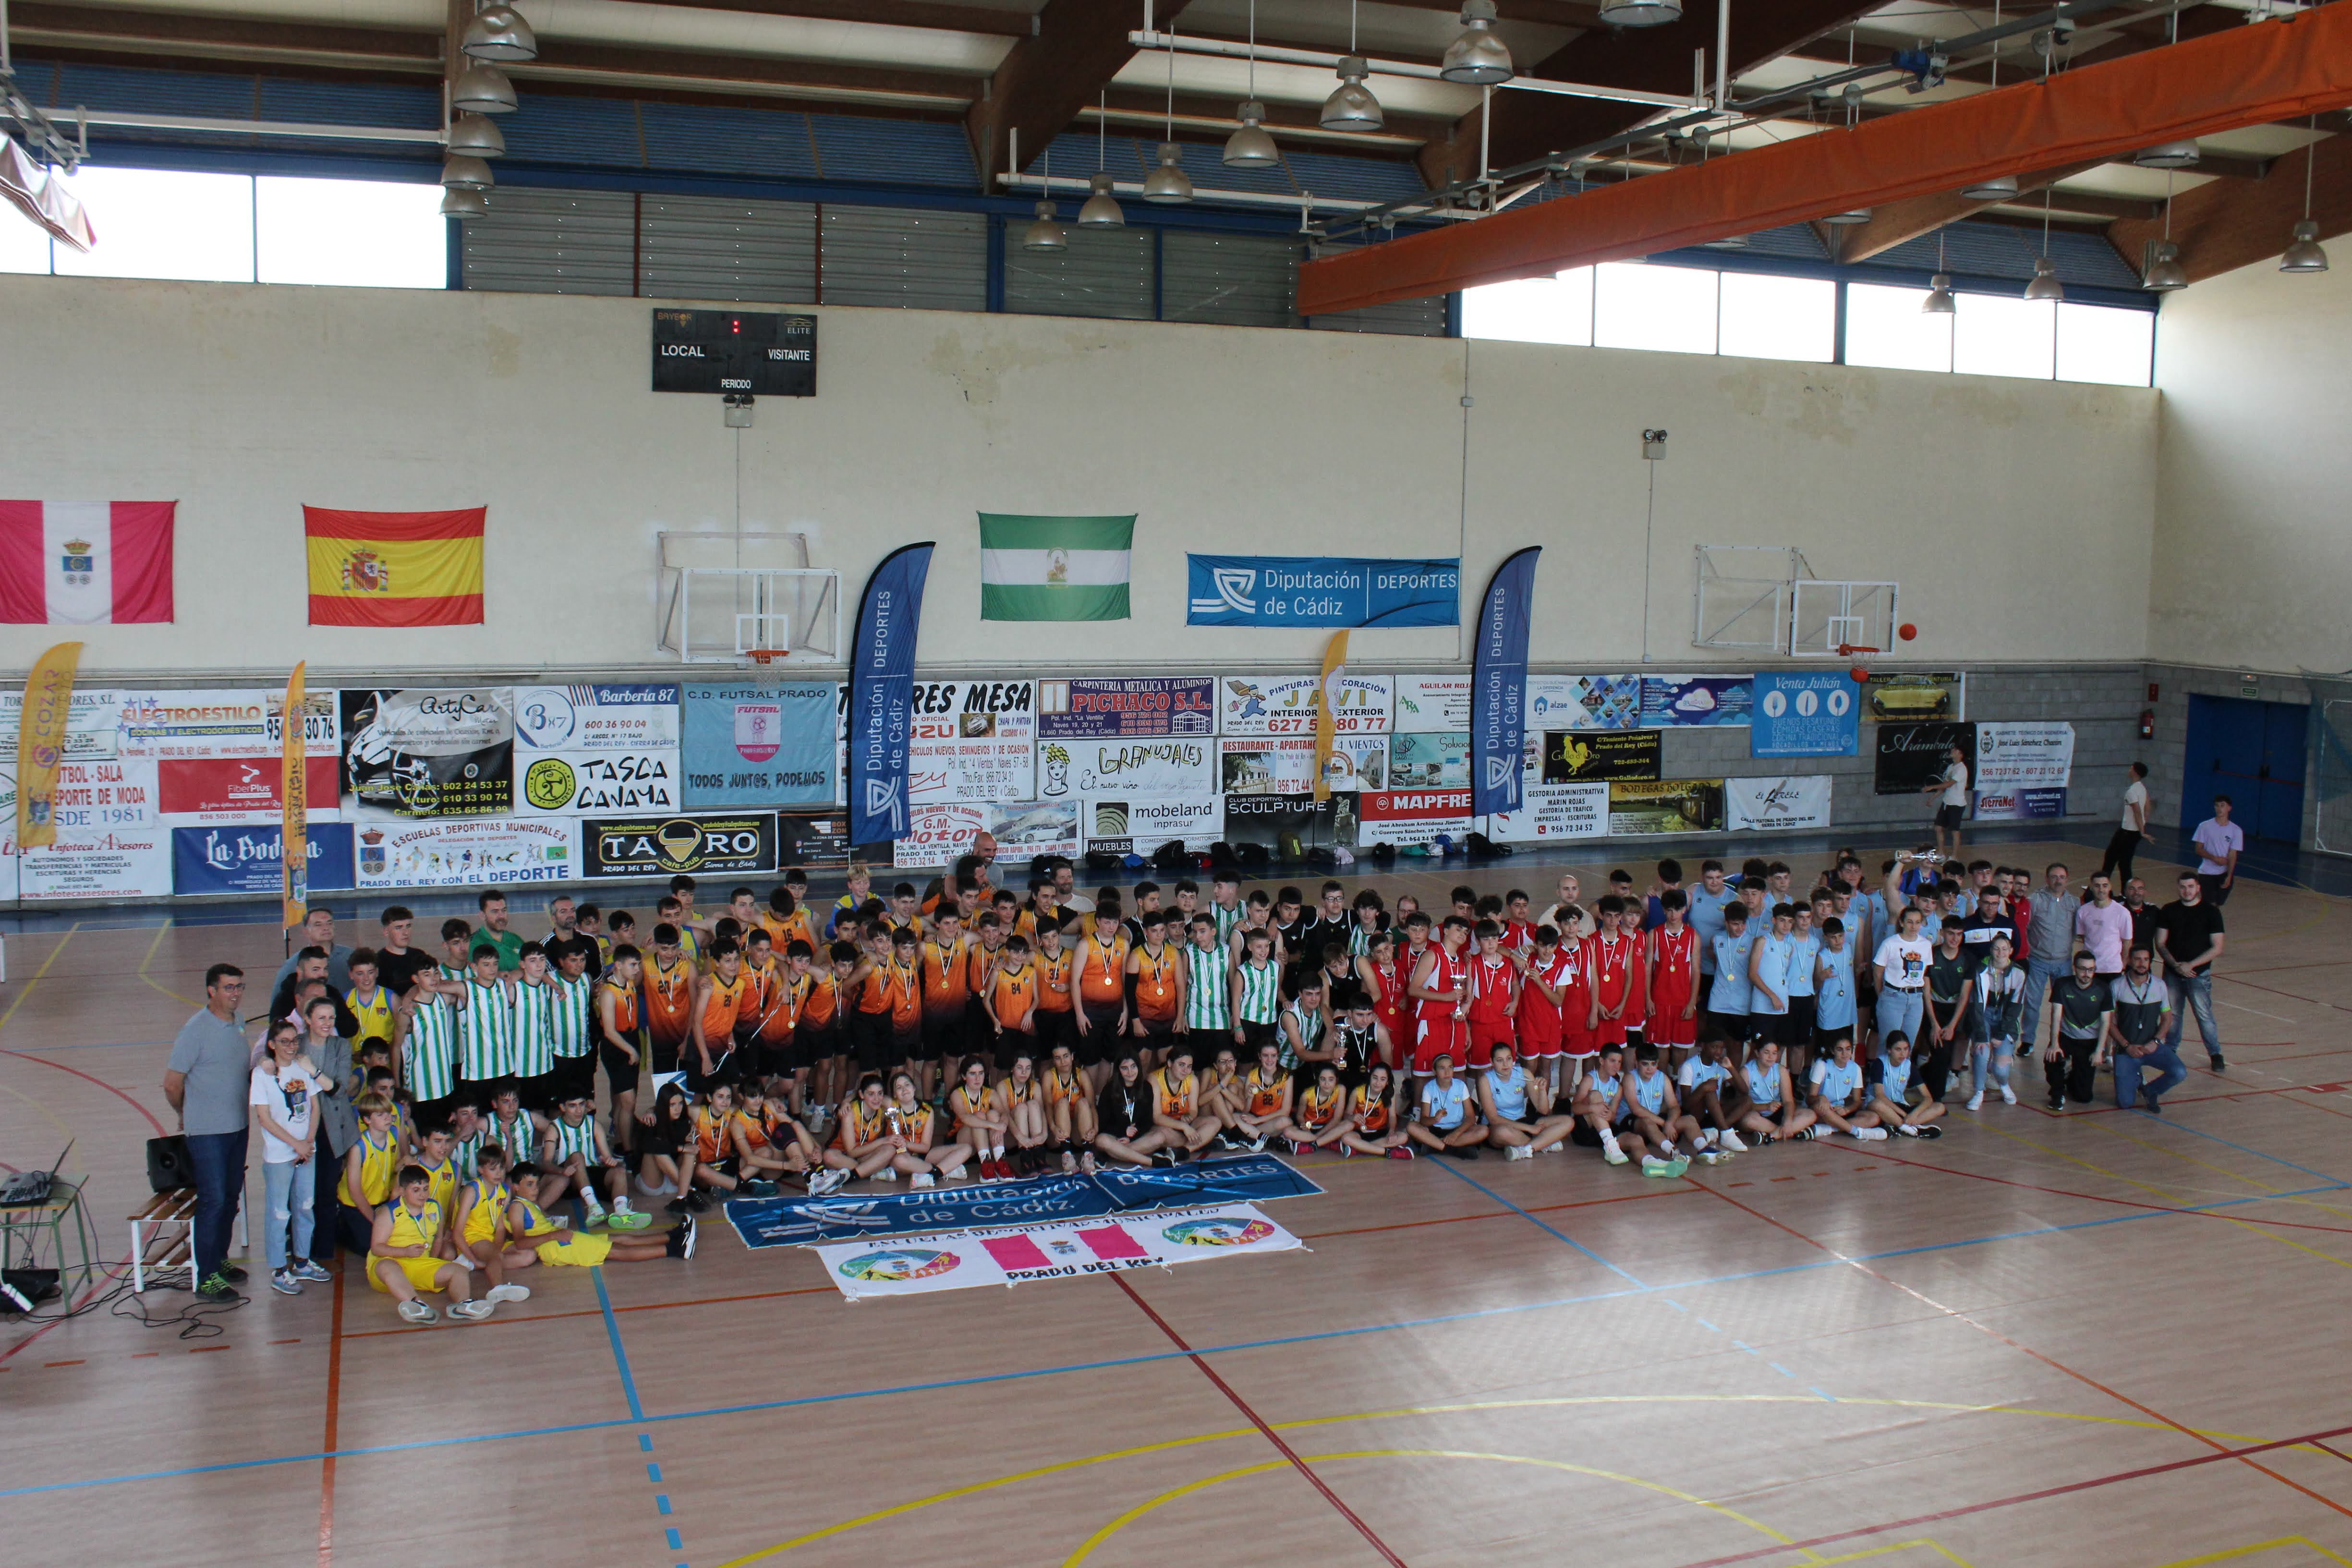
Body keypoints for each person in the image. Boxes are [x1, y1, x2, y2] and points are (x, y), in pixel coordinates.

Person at [165, 963, 254, 1301]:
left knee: (231, 1198)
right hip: (208, 1134)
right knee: (214, 1200)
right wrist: (184, 1114)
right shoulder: (195, 1030)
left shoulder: (240, 1022)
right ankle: (206, 1276)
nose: (235, 993)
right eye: (229, 987)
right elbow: (172, 1083)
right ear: (211, 991)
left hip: (238, 1126)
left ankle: (219, 1259)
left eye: (239, 986)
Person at [248, 1018, 332, 1296]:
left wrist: (308, 1142)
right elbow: (265, 1118)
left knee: (305, 1206)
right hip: (280, 1155)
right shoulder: (262, 1076)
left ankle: (302, 1261)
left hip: (306, 1151)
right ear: (272, 1045)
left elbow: (314, 1107)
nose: (290, 1047)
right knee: (278, 1212)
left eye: (294, 1041)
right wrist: (295, 1144)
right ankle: (279, 1269)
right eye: (284, 1042)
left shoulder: (302, 1069)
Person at [368, 1165, 497, 1325]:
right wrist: (405, 1251)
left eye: (425, 1189)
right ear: (401, 1190)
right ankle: (417, 1305)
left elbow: (438, 1239)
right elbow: (377, 1248)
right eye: (416, 1190)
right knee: (386, 1265)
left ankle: (463, 1305)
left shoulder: (434, 1207)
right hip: (389, 1263)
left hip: (418, 1263)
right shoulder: (389, 1212)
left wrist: (433, 1264)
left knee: (459, 1270)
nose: (423, 1195)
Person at [505, 1163, 692, 1267]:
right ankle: (675, 1249)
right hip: (557, 1247)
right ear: (515, 1187)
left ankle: (671, 1236)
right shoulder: (517, 1208)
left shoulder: (529, 1204)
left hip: (560, 1241)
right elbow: (521, 1242)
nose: (536, 1189)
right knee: (616, 1251)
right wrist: (554, 1234)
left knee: (618, 1239)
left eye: (536, 1184)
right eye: (529, 1184)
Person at [2155, 870, 2228, 1070]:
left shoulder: (2211, 912)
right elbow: (2160, 943)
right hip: (2172, 974)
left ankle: (2215, 1053)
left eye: (2191, 887)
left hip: (2199, 975)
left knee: (2204, 1015)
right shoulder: (2168, 911)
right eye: (2183, 887)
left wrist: (2191, 965)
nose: (2187, 891)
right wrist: (2177, 965)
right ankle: (2171, 1051)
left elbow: (2218, 947)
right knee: (2173, 1014)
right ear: (2178, 888)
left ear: (2198, 888)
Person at [2107, 945, 2186, 1113]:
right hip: (2126, 1050)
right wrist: (2126, 1046)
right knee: (2125, 1103)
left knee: (2179, 1072)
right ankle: (2136, 1077)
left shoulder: (2159, 986)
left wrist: (2156, 1042)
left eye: (2146, 960)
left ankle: (2150, 1091)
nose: (2142, 964)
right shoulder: (2117, 986)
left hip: (2153, 1047)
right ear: (2129, 961)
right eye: (2137, 959)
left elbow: (2167, 1018)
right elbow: (2109, 1022)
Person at [2016, 864, 2080, 1061]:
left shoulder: (2074, 903)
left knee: (2065, 1004)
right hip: (2038, 961)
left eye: (2062, 877)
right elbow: (2024, 926)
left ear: (2067, 879)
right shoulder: (2034, 901)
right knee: (2033, 1002)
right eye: (2054, 877)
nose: (2058, 881)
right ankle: (2028, 1041)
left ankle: (2063, 1041)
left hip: (2064, 962)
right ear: (2046, 878)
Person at [1478, 1042, 1573, 1159]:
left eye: (1509, 1059)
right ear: (1492, 1062)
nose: (1505, 1064)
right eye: (1500, 1060)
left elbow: (1543, 1110)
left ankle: (1526, 1149)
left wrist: (1542, 1091)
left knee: (1568, 1121)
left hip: (1524, 1120)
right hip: (1502, 1126)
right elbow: (1494, 1119)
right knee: (1501, 1132)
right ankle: (1542, 1144)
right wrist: (1529, 1129)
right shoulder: (1486, 1080)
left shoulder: (1524, 1074)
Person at [2043, 950, 2110, 1111]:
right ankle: (2057, 1094)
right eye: (2082, 969)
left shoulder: (2103, 989)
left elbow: (2106, 1021)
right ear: (2074, 968)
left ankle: (2071, 1075)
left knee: (2083, 1097)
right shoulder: (2062, 984)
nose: (2087, 974)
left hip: (2089, 1042)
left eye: (2091, 970)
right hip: (2067, 1037)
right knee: (2052, 1057)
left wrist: (2099, 1051)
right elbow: (2056, 1015)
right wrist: (2054, 1044)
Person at [1966, 933, 2026, 1111]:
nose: (2000, 952)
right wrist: (1981, 1035)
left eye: (2004, 949)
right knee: (1981, 1051)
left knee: (2000, 1069)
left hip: (2005, 1019)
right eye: (1996, 948)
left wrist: (2001, 1035)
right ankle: (1978, 1092)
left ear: (2011, 951)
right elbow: (1976, 1005)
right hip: (1984, 1015)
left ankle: (2004, 1084)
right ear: (1991, 950)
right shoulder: (1980, 969)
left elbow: (2015, 1007)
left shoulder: (2018, 973)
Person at [1675, 1036, 1750, 1154]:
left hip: (1714, 1114)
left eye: (1721, 1048)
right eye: (1714, 1047)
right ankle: (1726, 1132)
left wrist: (1731, 1068)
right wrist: (1703, 1088)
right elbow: (1686, 1105)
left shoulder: (1720, 1064)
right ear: (1703, 1046)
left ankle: (1721, 1131)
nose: (1719, 1052)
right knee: (1710, 1091)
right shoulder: (1689, 1066)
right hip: (1694, 1115)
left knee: (1747, 1100)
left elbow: (1744, 1091)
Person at [1406, 1053, 1487, 1160]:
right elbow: (1423, 1121)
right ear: (1435, 1071)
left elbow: (1471, 1117)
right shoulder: (1429, 1088)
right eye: (1442, 1068)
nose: (1447, 1072)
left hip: (1457, 1129)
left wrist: (1456, 1134)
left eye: (1450, 1068)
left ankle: (1434, 1146)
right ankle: (1452, 1149)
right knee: (1411, 1127)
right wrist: (1435, 1119)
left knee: (1484, 1131)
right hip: (1435, 1130)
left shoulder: (1461, 1086)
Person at [1862, 1033, 1946, 1137]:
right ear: (1889, 1050)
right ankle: (1911, 1129)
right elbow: (1880, 1096)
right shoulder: (1880, 1064)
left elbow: (1928, 1098)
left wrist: (1913, 1115)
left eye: (1906, 1049)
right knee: (1877, 1104)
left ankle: (1901, 1125)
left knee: (1940, 1107)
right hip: (1884, 1106)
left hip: (1900, 1105)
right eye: (1898, 1050)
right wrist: (1904, 1115)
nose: (1903, 1054)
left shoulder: (1909, 1065)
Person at [1872, 906, 1932, 1051]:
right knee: (1889, 1044)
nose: (1914, 926)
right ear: (1902, 922)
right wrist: (1883, 995)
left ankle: (1903, 1074)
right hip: (1893, 995)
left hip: (1916, 997)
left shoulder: (1926, 945)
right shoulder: (1890, 943)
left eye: (1918, 922)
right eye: (1910, 922)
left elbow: (1925, 972)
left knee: (1908, 1045)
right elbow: (1878, 971)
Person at [1806, 1037, 1887, 1141]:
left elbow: (1857, 1102)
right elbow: (1809, 1099)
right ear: (1832, 1051)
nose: (1845, 1053)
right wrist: (1821, 1098)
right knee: (1821, 1107)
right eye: (1840, 1049)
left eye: (1848, 1049)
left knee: (1874, 1118)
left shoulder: (1855, 1068)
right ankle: (1857, 1132)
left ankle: (1829, 1129)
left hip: (1840, 1110)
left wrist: (1846, 1110)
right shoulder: (1822, 1065)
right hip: (1823, 1110)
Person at [1737, 1039, 1816, 1144]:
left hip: (1777, 1112)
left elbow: (1788, 1101)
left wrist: (1788, 1121)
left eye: (1774, 1053)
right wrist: (1766, 1107)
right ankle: (1791, 1132)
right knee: (1747, 1121)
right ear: (1757, 1053)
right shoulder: (1746, 1072)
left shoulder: (1781, 1070)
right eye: (1766, 1053)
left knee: (1811, 1114)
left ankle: (1772, 1135)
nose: (1771, 1057)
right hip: (1757, 1113)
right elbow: (1741, 1105)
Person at [1042, 1043, 1097, 1174]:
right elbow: (1048, 1107)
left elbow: (1092, 1106)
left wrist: (1096, 1129)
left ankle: (1088, 1155)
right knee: (1062, 1103)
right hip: (1058, 1136)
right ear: (1053, 1060)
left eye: (1066, 1056)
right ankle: (1066, 1156)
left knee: (1083, 1102)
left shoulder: (1082, 1075)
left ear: (1072, 1057)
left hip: (1079, 1133)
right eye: (1058, 1058)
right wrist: (1053, 1128)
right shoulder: (1049, 1076)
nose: (1063, 1061)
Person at [1230, 1040, 1295, 1149]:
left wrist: (1258, 1121)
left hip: (1272, 1120)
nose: (1270, 1060)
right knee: (1233, 1117)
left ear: (1278, 1056)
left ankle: (1248, 1136)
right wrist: (1250, 1098)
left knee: (1286, 1121)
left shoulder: (1287, 1076)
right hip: (1254, 1118)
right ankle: (1264, 1139)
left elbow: (1285, 1111)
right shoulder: (1253, 1075)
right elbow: (1245, 1111)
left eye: (1273, 1056)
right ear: (1259, 1056)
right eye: (1265, 1056)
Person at [1340, 1063, 1411, 1158]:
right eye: (1375, 1078)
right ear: (1370, 1078)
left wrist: (1391, 1131)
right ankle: (1388, 1152)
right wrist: (1353, 1117)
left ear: (1388, 1082)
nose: (1378, 1083)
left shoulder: (1390, 1093)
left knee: (1404, 1137)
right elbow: (1346, 1115)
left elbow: (1392, 1116)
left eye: (1383, 1079)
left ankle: (1359, 1149)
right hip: (1359, 1132)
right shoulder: (1358, 1092)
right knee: (1346, 1138)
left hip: (1380, 1132)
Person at [2075, 873, 2134, 983]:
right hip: (2090, 968)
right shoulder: (2083, 911)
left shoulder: (2122, 913)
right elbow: (2084, 936)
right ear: (2091, 888)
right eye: (2097, 886)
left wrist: (2123, 965)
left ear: (2110, 887)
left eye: (2105, 886)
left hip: (2112, 969)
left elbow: (2127, 942)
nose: (2101, 890)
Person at [2102, 762, 2151, 886]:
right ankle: (2103, 884)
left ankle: (2124, 891)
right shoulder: (2142, 788)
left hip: (2129, 831)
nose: (2129, 770)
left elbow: (2137, 812)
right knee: (2113, 857)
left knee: (2122, 861)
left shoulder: (2132, 791)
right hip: (2127, 829)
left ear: (2135, 772)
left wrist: (2142, 831)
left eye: (2131, 768)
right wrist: (2144, 823)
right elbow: (2148, 807)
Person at [2191, 795, 2244, 906]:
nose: (2219, 809)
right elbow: (2198, 849)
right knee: (2209, 903)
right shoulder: (2204, 826)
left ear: (2229, 808)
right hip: (2206, 873)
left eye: (2223, 806)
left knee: (2218, 904)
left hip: (2223, 873)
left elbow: (2233, 854)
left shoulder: (2236, 830)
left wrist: (2229, 875)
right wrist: (2214, 858)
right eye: (2217, 806)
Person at [1290, 1063, 1351, 1155]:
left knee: (1349, 1125)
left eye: (1331, 1080)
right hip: (1310, 1128)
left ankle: (1312, 1145)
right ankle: (1327, 1143)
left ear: (1337, 1080)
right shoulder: (1307, 1095)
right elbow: (1299, 1115)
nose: (1327, 1084)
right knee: (1288, 1132)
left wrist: (1317, 1136)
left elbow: (1337, 1119)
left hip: (1329, 1127)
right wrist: (1304, 1126)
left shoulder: (1341, 1089)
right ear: (1317, 1079)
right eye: (1323, 1079)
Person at [1923, 742, 1969, 858]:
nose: (1952, 752)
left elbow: (1950, 784)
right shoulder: (1951, 767)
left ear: (1960, 753)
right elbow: (1944, 786)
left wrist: (1932, 787)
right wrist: (1932, 798)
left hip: (1957, 804)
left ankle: (1954, 856)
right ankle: (1941, 853)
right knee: (1938, 827)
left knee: (1955, 830)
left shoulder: (1961, 769)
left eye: (1954, 750)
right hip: (1947, 802)